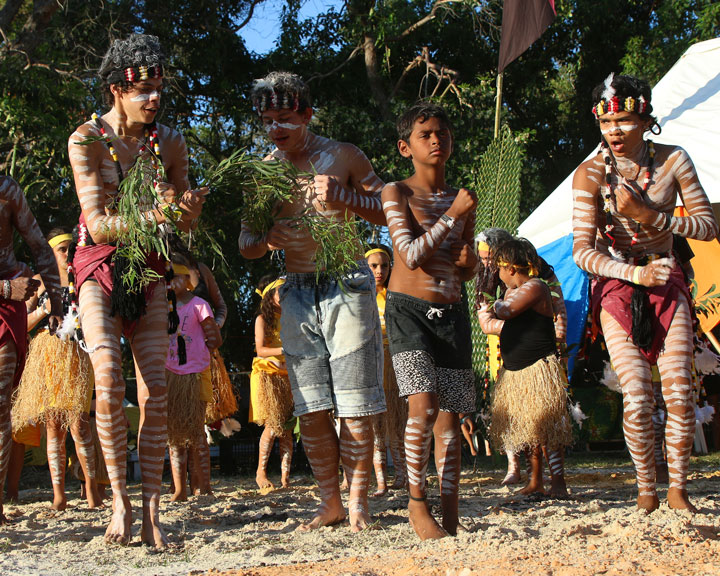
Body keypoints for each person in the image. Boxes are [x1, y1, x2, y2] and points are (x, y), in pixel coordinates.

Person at [67, 34, 205, 546]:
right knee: (108, 377)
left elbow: (182, 228)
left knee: (158, 391)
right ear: (115, 89)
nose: (153, 99)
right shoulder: (85, 139)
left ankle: (152, 511)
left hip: (148, 270)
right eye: (142, 89)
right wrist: (158, 214)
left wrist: (188, 211)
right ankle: (119, 502)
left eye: (158, 89)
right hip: (99, 267)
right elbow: (100, 226)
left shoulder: (169, 141)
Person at [239, 71, 386, 532]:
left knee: (355, 402)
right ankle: (330, 503)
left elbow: (389, 207)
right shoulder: (264, 171)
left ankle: (359, 501)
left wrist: (344, 195)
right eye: (267, 121)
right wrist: (266, 240)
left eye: (284, 118)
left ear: (307, 113)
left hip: (346, 283)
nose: (275, 129)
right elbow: (245, 241)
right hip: (298, 290)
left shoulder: (344, 155)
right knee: (312, 405)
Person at [572, 73, 718, 512]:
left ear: (645, 117)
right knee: (636, 393)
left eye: (625, 121)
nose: (615, 132)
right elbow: (582, 251)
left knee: (678, 392)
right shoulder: (590, 175)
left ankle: (678, 491)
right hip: (619, 285)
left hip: (668, 281)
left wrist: (650, 215)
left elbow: (709, 226)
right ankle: (646, 492)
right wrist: (634, 276)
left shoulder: (674, 161)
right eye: (605, 124)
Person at [381, 102, 478, 540]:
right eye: (426, 135)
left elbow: (466, 264)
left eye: (443, 132)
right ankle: (417, 505)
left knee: (451, 420)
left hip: (453, 314)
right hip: (407, 313)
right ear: (406, 147)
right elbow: (411, 255)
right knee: (423, 406)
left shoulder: (463, 197)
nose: (437, 140)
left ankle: (452, 514)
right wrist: (453, 215)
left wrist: (469, 262)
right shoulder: (395, 192)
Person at [11, 228, 101, 510]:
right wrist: (42, 311)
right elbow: (20, 324)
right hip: (49, 357)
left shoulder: (84, 278)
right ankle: (59, 495)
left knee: (80, 425)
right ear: (50, 253)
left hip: (77, 355)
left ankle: (92, 489)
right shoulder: (37, 283)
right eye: (62, 249)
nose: (68, 252)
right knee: (54, 427)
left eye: (71, 247)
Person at [476, 228, 569, 491]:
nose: (496, 275)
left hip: (538, 367)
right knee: (527, 428)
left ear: (511, 268)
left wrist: (489, 307)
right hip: (517, 370)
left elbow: (506, 309)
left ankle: (558, 482)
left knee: (546, 426)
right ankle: (535, 480)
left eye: (499, 270)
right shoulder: (513, 290)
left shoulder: (536, 287)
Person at [0, 175, 62, 524]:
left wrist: (55, 299)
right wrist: (7, 287)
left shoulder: (8, 190)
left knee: (1, 406)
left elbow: (40, 247)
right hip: (8, 293)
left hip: (6, 314)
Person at [165, 257, 222, 502]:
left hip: (196, 373)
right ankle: (179, 489)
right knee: (175, 434)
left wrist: (210, 341)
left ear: (187, 281)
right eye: (166, 278)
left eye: (174, 277)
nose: (169, 283)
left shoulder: (199, 305)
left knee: (197, 430)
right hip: (171, 375)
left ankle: (204, 485)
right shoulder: (161, 307)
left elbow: (214, 338)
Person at [366, 245, 407, 495]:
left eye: (384, 265)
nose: (379, 270)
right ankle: (381, 482)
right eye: (373, 266)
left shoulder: (397, 294)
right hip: (371, 364)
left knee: (398, 424)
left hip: (395, 363)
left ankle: (402, 475)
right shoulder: (359, 296)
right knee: (376, 427)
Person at [249, 277, 295, 491]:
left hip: (288, 375)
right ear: (270, 296)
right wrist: (285, 351)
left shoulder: (291, 318)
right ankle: (261, 472)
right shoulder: (262, 319)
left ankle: (286, 478)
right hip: (268, 375)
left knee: (287, 428)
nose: (285, 295)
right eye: (281, 292)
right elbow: (260, 350)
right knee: (272, 425)